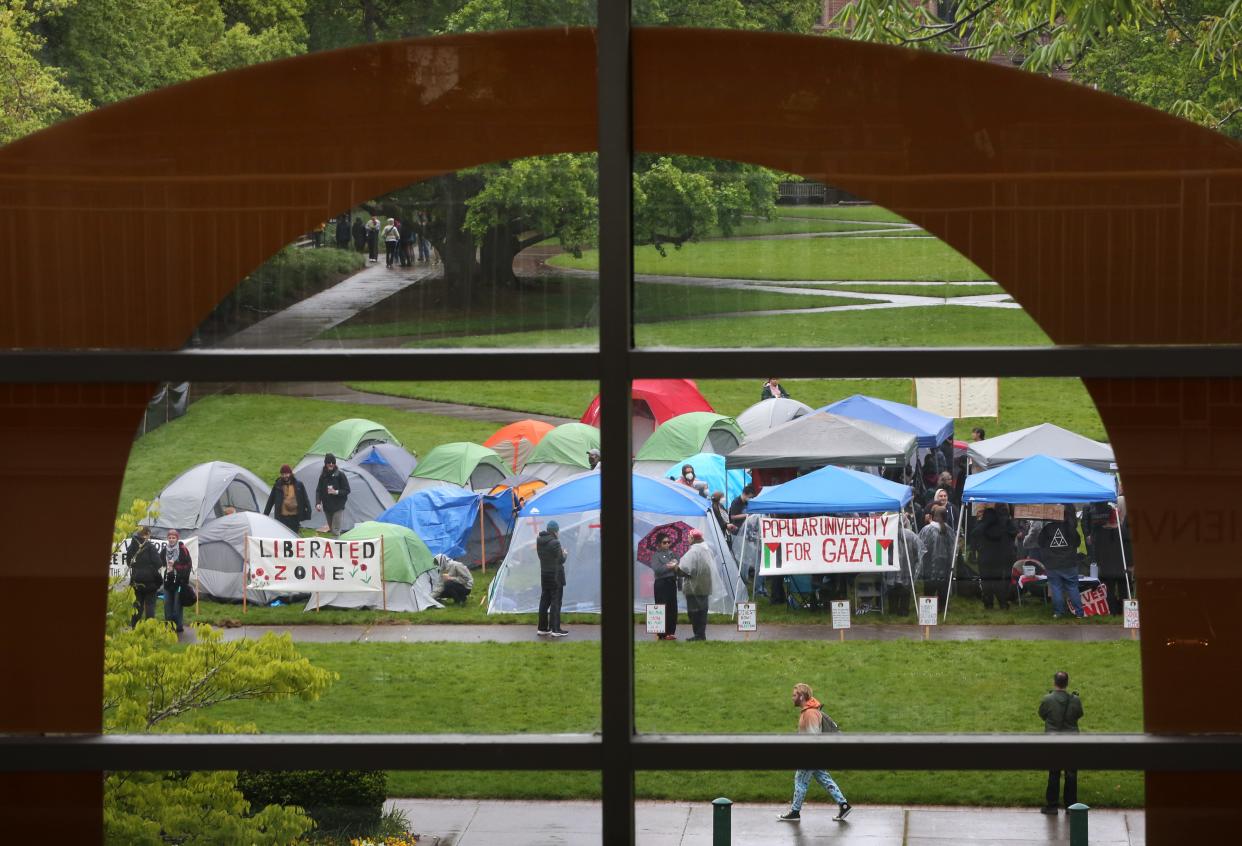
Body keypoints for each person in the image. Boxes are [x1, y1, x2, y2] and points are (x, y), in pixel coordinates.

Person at [778, 683, 851, 823]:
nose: (792, 698)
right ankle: (844, 805)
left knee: (800, 780)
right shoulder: (809, 711)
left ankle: (795, 812)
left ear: (801, 696)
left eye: (794, 695)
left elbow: (813, 737)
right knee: (824, 778)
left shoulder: (810, 713)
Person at [1039, 670, 1084, 814]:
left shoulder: (1048, 699)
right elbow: (1079, 714)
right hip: (1071, 741)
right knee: (1071, 774)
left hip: (1053, 741)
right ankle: (1071, 806)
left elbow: (1042, 714)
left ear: (1054, 682)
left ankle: (1052, 806)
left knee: (1054, 772)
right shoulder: (1075, 700)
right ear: (1067, 683)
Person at [1040, 506, 1084, 618]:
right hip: (1069, 563)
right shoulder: (1071, 528)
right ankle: (1079, 613)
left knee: (1056, 588)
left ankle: (1058, 613)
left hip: (1052, 563)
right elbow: (1078, 543)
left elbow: (1040, 542)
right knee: (1073, 587)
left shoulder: (1047, 528)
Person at [675, 530, 714, 640]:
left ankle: (698, 635)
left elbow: (684, 570)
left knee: (694, 612)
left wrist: (675, 567)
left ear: (693, 538)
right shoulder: (706, 549)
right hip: (705, 586)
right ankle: (701, 634)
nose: (687, 539)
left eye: (689, 537)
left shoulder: (693, 552)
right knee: (702, 611)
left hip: (694, 587)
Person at [977, 504, 1018, 611]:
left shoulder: (984, 524)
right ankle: (1003, 603)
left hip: (985, 556)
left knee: (987, 582)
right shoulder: (1007, 524)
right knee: (1000, 581)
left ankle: (988, 603)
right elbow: (1014, 532)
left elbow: (975, 536)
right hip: (1000, 556)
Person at [126, 526, 163, 627]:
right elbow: (159, 563)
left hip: (136, 579)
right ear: (146, 534)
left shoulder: (132, 546)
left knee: (137, 605)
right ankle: (149, 628)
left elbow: (129, 562)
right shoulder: (150, 546)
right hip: (150, 580)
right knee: (150, 605)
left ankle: (135, 627)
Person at [536, 520, 568, 637]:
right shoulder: (555, 543)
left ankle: (542, 628)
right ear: (555, 531)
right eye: (558, 530)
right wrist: (564, 554)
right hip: (556, 577)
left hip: (545, 575)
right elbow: (560, 560)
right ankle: (555, 629)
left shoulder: (539, 541)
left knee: (544, 602)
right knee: (556, 602)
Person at [918, 505, 954, 606]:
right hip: (945, 566)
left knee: (929, 591)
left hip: (930, 566)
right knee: (943, 590)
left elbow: (920, 546)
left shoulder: (927, 529)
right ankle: (942, 608)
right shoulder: (949, 530)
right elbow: (952, 548)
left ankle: (928, 611)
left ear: (933, 516)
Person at [886, 513, 921, 617]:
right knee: (905, 590)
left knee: (892, 589)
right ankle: (904, 611)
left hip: (891, 568)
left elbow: (880, 552)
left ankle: (892, 610)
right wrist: (914, 561)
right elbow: (918, 551)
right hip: (907, 568)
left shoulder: (887, 534)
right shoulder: (911, 535)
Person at [161, 528, 193, 633]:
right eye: (169, 537)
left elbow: (188, 565)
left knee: (177, 605)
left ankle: (178, 626)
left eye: (173, 537)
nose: (171, 539)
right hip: (168, 581)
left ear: (177, 538)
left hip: (179, 582)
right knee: (167, 604)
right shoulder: (165, 550)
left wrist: (175, 566)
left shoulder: (183, 549)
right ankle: (169, 626)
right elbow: (159, 562)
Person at [649, 533, 680, 640]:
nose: (667, 544)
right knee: (662, 607)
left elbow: (678, 563)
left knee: (673, 607)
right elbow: (657, 570)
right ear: (659, 544)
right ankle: (661, 633)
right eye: (664, 542)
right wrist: (668, 566)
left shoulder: (673, 554)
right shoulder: (655, 556)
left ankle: (671, 632)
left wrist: (675, 564)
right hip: (661, 584)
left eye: (668, 542)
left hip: (671, 583)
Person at [263, 464, 311, 534]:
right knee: (282, 537)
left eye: (286, 474)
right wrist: (265, 515)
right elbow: (270, 501)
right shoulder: (278, 485)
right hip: (281, 518)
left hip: (294, 518)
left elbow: (305, 499)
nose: (285, 476)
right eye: (283, 474)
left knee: (294, 537)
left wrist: (308, 512)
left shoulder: (299, 485)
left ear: (290, 473)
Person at [315, 453, 351, 537]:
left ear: (335, 464)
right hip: (327, 507)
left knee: (335, 530)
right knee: (332, 529)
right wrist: (318, 503)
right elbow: (318, 490)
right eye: (329, 462)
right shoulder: (323, 476)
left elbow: (347, 490)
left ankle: (336, 548)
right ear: (326, 464)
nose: (331, 464)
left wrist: (336, 492)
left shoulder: (340, 475)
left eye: (333, 462)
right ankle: (336, 544)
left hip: (338, 507)